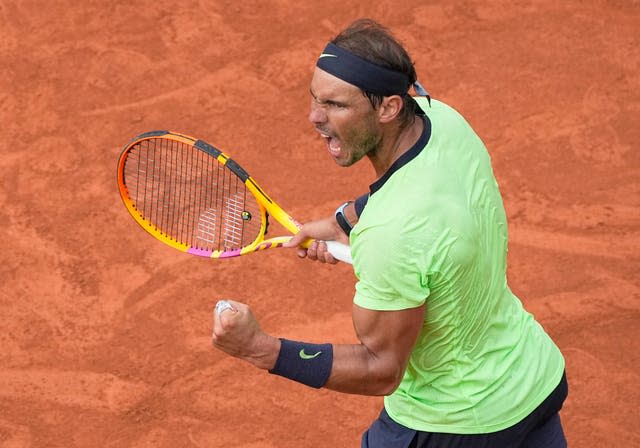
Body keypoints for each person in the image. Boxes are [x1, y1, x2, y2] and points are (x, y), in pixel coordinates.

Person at [211, 18, 568, 448]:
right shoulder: (444, 121)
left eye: (336, 105)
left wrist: (259, 348)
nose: (315, 117)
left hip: (454, 423)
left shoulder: (392, 234)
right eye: (315, 99)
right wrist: (345, 220)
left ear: (389, 107)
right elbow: (415, 200)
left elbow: (381, 368)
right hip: (533, 379)